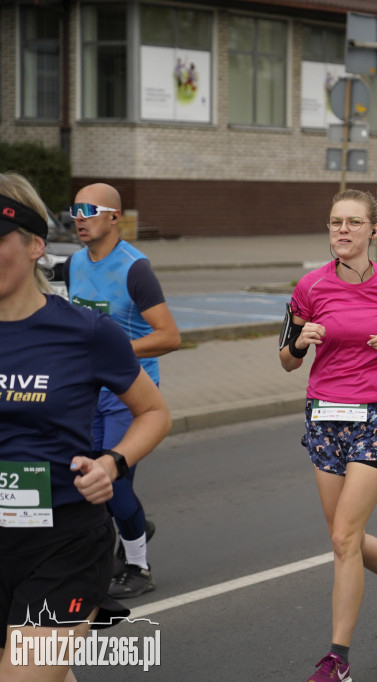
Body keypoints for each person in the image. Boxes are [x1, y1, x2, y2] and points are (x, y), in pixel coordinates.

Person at [0, 172, 170, 681]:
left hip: (62, 542)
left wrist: (113, 462)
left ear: (34, 245)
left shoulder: (86, 332)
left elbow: (154, 412)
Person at [280, 189, 377, 682]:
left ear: (374, 230)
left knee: (345, 537)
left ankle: (337, 660)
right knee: (342, 536)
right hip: (325, 417)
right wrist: (299, 342)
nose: (342, 231)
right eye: (334, 223)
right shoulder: (308, 287)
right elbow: (286, 359)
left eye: (352, 223)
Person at [65, 183, 181, 599]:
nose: (79, 217)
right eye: (74, 209)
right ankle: (133, 530)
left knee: (113, 479)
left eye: (88, 209)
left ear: (113, 217)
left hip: (130, 393)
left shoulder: (135, 268)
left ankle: (138, 566)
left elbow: (169, 336)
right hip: (86, 391)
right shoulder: (73, 263)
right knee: (85, 475)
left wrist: (113, 353)